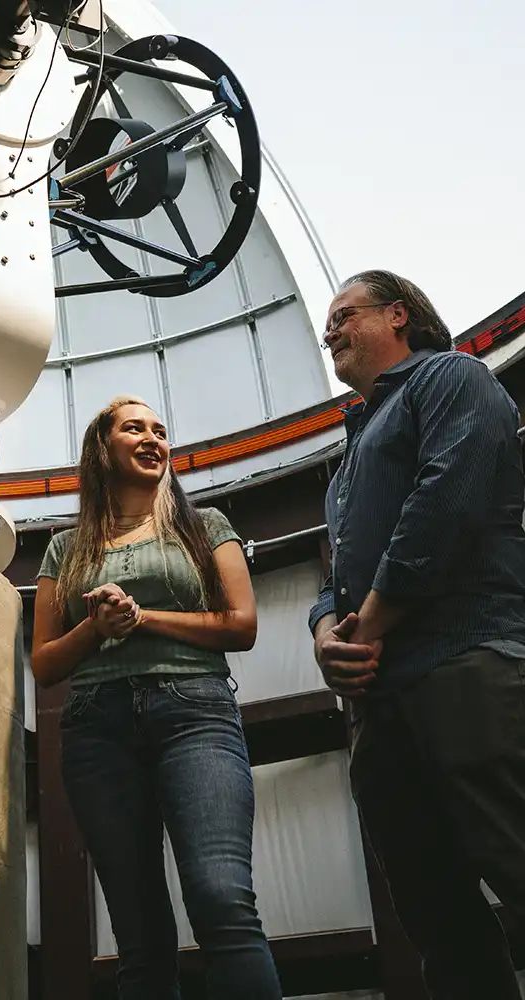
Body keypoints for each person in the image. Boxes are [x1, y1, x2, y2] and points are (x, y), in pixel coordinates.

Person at [309, 270, 525, 999]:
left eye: (344, 315)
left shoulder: (453, 379)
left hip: (465, 665)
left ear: (398, 315)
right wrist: (320, 636)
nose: (329, 329)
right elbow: (330, 581)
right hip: (384, 709)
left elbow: (446, 503)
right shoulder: (343, 469)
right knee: (439, 922)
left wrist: (364, 626)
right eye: (327, 321)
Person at [31, 395, 282, 1000]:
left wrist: (142, 618)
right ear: (102, 448)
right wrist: (97, 627)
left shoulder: (205, 526)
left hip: (194, 712)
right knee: (138, 934)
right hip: (97, 730)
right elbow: (42, 663)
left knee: (221, 896)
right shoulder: (64, 551)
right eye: (134, 428)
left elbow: (241, 624)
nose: (152, 438)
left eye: (160, 430)